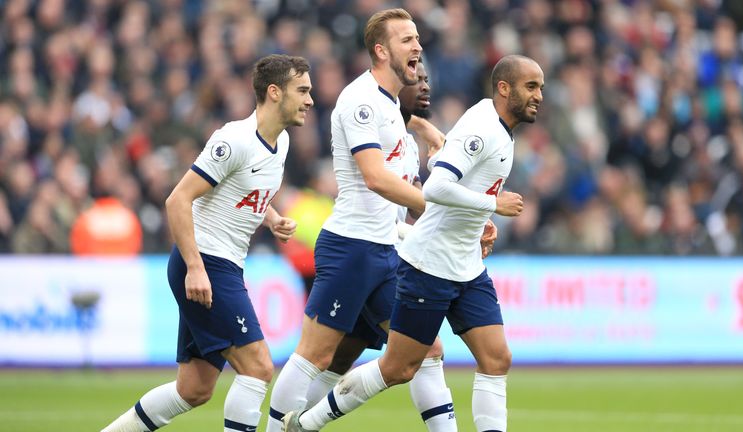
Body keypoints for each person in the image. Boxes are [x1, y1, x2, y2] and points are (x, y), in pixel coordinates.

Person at [283, 54, 543, 432]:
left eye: (540, 87)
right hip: (427, 267)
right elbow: (437, 186)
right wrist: (493, 206)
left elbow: (447, 184)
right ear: (504, 88)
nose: (538, 95)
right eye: (531, 87)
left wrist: (480, 220)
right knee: (396, 366)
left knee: (497, 357)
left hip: (465, 265)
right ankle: (306, 423)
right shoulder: (483, 128)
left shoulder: (499, 128)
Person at [266, 8, 457, 432]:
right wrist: (445, 211)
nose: (418, 46)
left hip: (387, 250)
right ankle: (281, 428)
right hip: (351, 249)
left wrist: (423, 129)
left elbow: (400, 163)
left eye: (417, 38)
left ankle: (306, 424)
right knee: (314, 356)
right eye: (407, 40)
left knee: (424, 352)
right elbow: (374, 178)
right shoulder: (360, 100)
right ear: (381, 50)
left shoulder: (391, 108)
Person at [100, 54, 313, 432]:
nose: (310, 100)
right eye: (303, 90)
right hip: (206, 263)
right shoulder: (234, 139)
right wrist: (196, 268)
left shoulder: (279, 144)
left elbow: (242, 189)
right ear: (275, 92)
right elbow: (177, 200)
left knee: (194, 388)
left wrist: (272, 217)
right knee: (259, 366)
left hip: (220, 264)